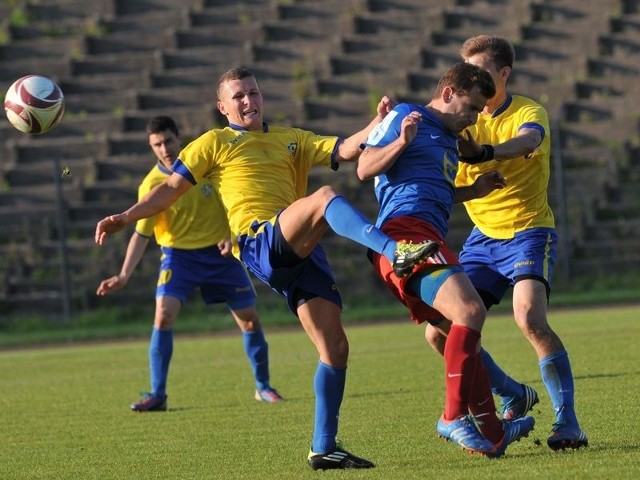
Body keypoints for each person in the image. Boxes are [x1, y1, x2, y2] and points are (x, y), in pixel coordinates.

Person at [95, 67, 438, 470]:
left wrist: (377, 124)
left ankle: (323, 447)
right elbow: (170, 189)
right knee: (325, 196)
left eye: (253, 93)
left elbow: (345, 149)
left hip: (299, 250)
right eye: (237, 96)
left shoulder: (291, 138)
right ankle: (393, 251)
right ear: (222, 107)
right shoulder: (214, 143)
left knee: (335, 348)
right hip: (261, 241)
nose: (247, 101)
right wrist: (125, 215)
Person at [357, 62, 535, 458]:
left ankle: (491, 433)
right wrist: (401, 142)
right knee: (470, 310)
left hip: (425, 236)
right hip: (404, 236)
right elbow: (363, 167)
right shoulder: (407, 116)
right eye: (471, 109)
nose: (473, 119)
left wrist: (473, 190)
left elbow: (435, 191)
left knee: (458, 325)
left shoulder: (449, 140)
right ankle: (454, 416)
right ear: (449, 93)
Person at [424, 35, 588, 451]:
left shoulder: (529, 111)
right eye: (468, 73)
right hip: (483, 238)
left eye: (481, 73)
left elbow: (528, 141)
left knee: (529, 317)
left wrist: (486, 152)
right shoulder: (463, 116)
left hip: (529, 231)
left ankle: (567, 421)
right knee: (438, 331)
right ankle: (512, 392)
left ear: (504, 73)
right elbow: (448, 183)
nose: (473, 80)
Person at [96, 116, 283, 412]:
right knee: (163, 317)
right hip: (178, 257)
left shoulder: (205, 169)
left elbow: (236, 203)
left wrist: (230, 234)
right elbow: (141, 235)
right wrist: (123, 275)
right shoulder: (151, 185)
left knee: (249, 319)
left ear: (179, 138)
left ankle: (263, 387)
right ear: (151, 147)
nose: (164, 148)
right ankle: (158, 395)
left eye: (168, 141)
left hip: (219, 254)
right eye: (156, 144)